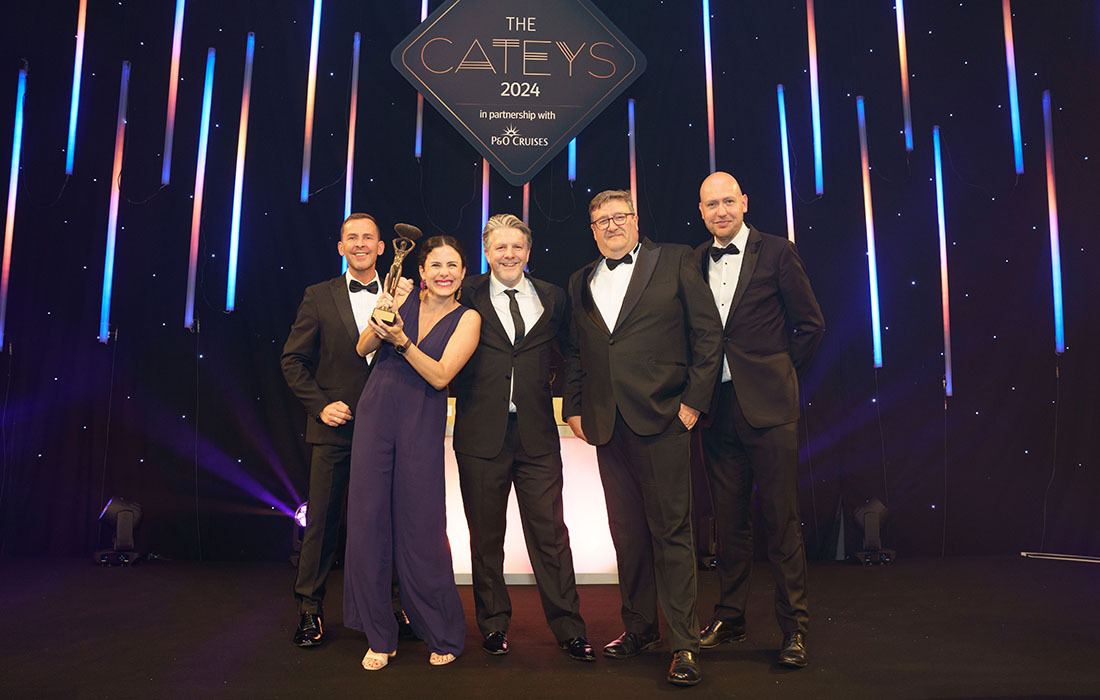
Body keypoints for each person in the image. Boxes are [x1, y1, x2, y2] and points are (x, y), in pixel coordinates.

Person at [562, 190, 723, 686]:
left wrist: (693, 403)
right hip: (607, 425)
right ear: (592, 230)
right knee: (627, 534)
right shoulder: (580, 280)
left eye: (620, 216)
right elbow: (576, 351)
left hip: (664, 419)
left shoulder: (674, 259)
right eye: (601, 220)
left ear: (635, 220)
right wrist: (573, 407)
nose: (611, 225)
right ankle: (640, 628)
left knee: (672, 534)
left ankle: (684, 644)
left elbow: (707, 334)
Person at [693, 172, 824, 668]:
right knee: (729, 523)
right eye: (711, 204)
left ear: (744, 202)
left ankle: (794, 629)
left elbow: (810, 324)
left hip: (769, 409)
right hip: (717, 409)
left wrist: (779, 373)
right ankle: (730, 617)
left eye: (728, 201)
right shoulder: (692, 260)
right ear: (701, 211)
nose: (721, 211)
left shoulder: (778, 252)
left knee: (781, 521)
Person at [452, 214, 593, 662]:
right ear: (486, 252)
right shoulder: (464, 292)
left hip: (537, 436)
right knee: (485, 538)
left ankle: (570, 630)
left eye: (517, 247)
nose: (509, 254)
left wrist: (573, 404)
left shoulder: (553, 296)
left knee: (551, 536)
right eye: (500, 247)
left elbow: (574, 352)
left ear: (528, 252)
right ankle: (493, 626)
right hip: (479, 436)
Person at [343, 235, 481, 670]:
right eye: (435, 265)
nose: (444, 273)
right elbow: (362, 348)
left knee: (422, 527)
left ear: (463, 273)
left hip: (421, 419)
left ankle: (441, 631)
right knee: (367, 524)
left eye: (452, 265)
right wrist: (380, 316)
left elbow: (440, 376)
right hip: (376, 415)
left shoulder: (468, 318)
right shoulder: (401, 299)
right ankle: (379, 636)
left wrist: (402, 340)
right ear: (421, 271)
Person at [281, 213, 412, 648]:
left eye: (368, 237)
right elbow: (292, 361)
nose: (359, 244)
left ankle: (393, 606)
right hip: (336, 429)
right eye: (351, 238)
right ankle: (309, 609)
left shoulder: (406, 293)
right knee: (322, 523)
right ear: (341, 247)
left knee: (388, 520)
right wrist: (321, 406)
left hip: (390, 426)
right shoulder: (318, 296)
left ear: (381, 247)